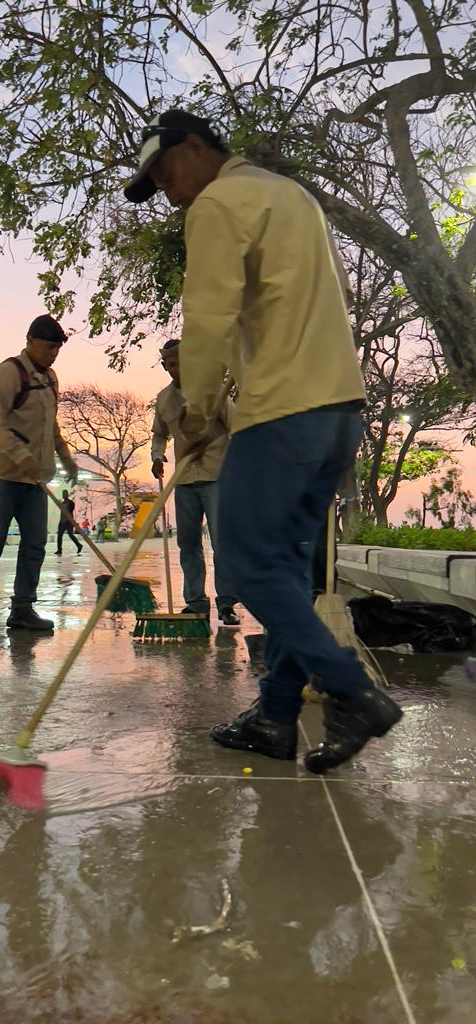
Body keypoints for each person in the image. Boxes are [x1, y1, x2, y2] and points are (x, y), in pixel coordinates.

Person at [124, 109, 403, 772]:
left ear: (196, 147)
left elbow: (212, 315)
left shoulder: (219, 203)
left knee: (248, 565)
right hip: (339, 408)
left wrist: (194, 413)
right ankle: (276, 716)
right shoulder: (291, 195)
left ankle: (351, 691)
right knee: (287, 569)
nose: (168, 191)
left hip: (281, 411)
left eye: (166, 172)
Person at [0, 314, 79, 634]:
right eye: (48, 346)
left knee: (35, 545)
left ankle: (22, 610)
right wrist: (21, 456)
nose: (53, 353)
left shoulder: (51, 378)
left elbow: (51, 424)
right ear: (29, 341)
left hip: (34, 481)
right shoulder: (9, 373)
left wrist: (66, 459)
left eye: (57, 348)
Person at [151, 338, 239, 626]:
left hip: (216, 478)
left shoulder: (212, 391)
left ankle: (226, 603)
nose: (171, 369)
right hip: (184, 480)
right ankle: (195, 603)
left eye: (176, 363)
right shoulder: (164, 399)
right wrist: (157, 456)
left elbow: (236, 426)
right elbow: (159, 433)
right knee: (187, 544)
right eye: (168, 365)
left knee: (222, 543)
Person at [55, 489, 83, 556]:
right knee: (59, 536)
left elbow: (71, 510)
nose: (63, 495)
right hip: (62, 522)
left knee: (70, 534)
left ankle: (79, 545)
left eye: (65, 494)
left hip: (68, 522)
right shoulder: (62, 503)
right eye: (63, 494)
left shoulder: (71, 503)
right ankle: (59, 549)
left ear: (67, 494)